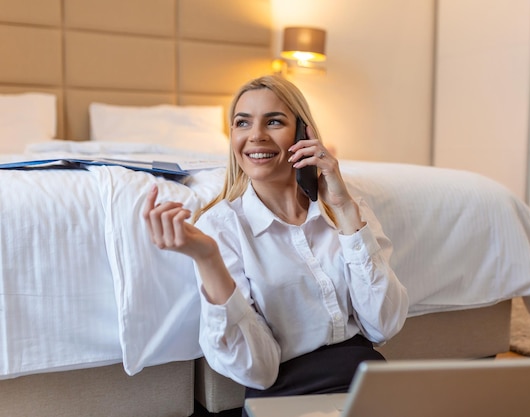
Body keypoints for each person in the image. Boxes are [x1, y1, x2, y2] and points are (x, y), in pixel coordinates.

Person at [143, 75, 408, 414]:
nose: (255, 136)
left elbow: (383, 324)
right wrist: (208, 258)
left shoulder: (346, 208)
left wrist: (343, 210)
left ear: (304, 134)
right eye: (242, 123)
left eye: (274, 121)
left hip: (370, 386)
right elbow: (258, 370)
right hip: (285, 395)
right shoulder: (221, 226)